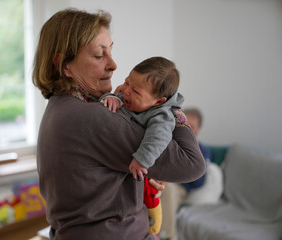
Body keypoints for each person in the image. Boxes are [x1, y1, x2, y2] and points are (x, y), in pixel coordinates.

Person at [32, 8, 206, 240]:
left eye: (111, 51)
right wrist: (172, 107)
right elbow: (192, 164)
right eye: (98, 55)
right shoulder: (92, 117)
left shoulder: (60, 108)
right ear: (64, 64)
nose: (113, 64)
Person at [99, 56, 184, 235]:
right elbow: (109, 101)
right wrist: (111, 98)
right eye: (127, 82)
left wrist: (142, 160)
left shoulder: (161, 116)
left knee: (151, 196)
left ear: (158, 101)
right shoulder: (125, 96)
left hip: (147, 168)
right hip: (125, 172)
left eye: (136, 91)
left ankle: (158, 229)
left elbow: (157, 138)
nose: (126, 91)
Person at [159, 107, 211, 240]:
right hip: (161, 181)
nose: (187, 129)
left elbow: (198, 181)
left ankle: (168, 236)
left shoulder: (202, 150)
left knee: (168, 190)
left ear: (198, 130)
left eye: (192, 126)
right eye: (184, 124)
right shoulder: (168, 143)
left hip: (179, 187)